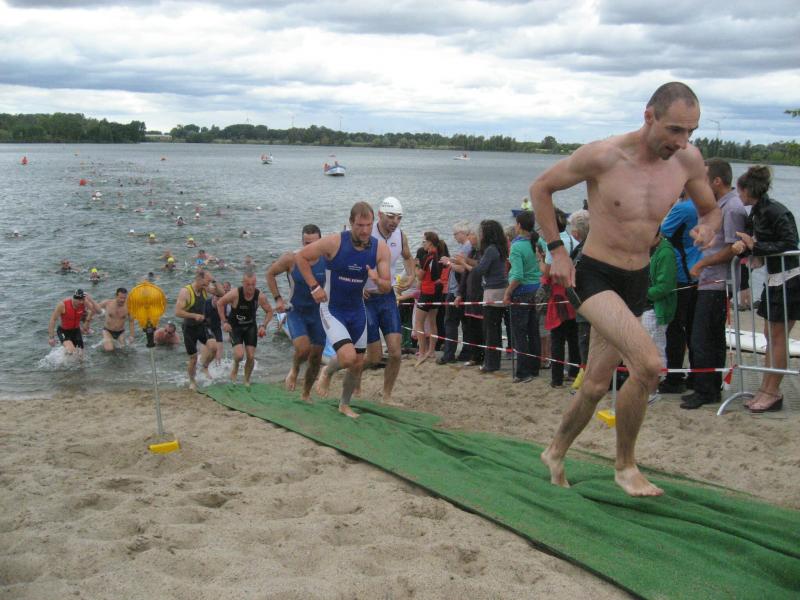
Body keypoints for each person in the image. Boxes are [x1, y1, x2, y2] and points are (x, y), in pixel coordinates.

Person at [532, 82, 720, 497]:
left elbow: (710, 210)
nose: (682, 141)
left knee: (596, 384)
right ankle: (625, 466)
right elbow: (540, 188)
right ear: (649, 116)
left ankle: (555, 451)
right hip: (594, 276)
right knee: (649, 366)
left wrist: (708, 228)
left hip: (638, 278)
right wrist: (557, 250)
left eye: (691, 131)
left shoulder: (687, 160)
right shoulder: (603, 156)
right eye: (674, 130)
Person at [295, 202, 392, 418]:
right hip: (333, 309)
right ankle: (327, 371)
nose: (364, 230)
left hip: (357, 310)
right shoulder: (335, 242)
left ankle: (344, 404)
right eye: (360, 225)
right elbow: (301, 257)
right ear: (351, 223)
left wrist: (377, 280)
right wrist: (314, 287)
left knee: (357, 364)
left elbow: (387, 286)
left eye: (368, 225)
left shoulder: (380, 249)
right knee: (347, 358)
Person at [317, 197, 416, 402]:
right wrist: (357, 285)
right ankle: (342, 377)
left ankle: (386, 395)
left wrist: (412, 275)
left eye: (398, 217)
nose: (394, 221)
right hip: (365, 298)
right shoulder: (365, 233)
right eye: (390, 217)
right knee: (372, 356)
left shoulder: (400, 236)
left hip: (387, 296)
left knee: (395, 353)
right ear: (380, 215)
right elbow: (344, 258)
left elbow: (407, 256)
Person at [732, 165, 799, 413]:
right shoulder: (757, 213)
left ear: (748, 190)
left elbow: (790, 243)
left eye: (740, 191)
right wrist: (745, 247)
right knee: (770, 335)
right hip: (774, 277)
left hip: (790, 277)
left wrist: (755, 246)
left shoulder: (776, 210)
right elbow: (754, 242)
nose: (738, 196)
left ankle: (772, 391)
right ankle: (766, 388)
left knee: (778, 336)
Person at [682, 158, 748, 409]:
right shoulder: (718, 207)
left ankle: (705, 390)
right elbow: (715, 239)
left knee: (702, 337)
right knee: (709, 336)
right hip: (711, 280)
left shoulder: (731, 208)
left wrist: (702, 264)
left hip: (718, 282)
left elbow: (732, 248)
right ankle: (708, 387)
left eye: (704, 179)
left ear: (717, 181)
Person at [266, 224, 327, 401]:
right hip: (296, 311)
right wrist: (278, 299)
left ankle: (306, 393)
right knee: (303, 349)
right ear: (302, 242)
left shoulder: (327, 259)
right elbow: (270, 274)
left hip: (318, 313)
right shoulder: (291, 259)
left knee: (316, 357)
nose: (310, 247)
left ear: (321, 242)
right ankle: (294, 369)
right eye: (306, 243)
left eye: (314, 243)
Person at [659, 189, 701, 394]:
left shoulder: (683, 208)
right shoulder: (702, 206)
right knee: (693, 328)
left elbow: (659, 233)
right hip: (697, 272)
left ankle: (674, 378)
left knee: (675, 328)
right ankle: (695, 376)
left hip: (681, 273)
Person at [503, 211, 542, 383]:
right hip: (535, 289)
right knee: (533, 331)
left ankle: (523, 371)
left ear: (519, 225)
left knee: (519, 333)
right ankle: (534, 367)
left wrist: (508, 292)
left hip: (521, 292)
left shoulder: (517, 246)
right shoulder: (536, 241)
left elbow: (518, 275)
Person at [217, 270, 273, 386]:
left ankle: (246, 380)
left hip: (250, 326)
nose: (251, 287)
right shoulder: (235, 294)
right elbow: (220, 303)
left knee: (251, 356)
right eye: (248, 284)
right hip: (235, 327)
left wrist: (263, 326)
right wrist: (224, 322)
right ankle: (236, 366)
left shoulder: (260, 296)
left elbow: (269, 311)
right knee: (239, 355)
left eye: (253, 284)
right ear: (243, 283)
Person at [641, 231, 677, 401]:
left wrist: (641, 294)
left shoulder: (665, 252)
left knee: (655, 349)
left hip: (656, 308)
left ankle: (652, 391)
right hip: (644, 306)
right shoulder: (646, 248)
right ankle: (644, 388)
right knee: (644, 350)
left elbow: (665, 286)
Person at [469, 220, 508, 373]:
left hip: (493, 290)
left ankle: (491, 363)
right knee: (495, 328)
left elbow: (481, 270)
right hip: (500, 288)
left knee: (490, 329)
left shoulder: (491, 249)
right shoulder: (499, 248)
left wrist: (469, 265)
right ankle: (493, 361)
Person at [174, 270, 222, 391]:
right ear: (199, 279)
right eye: (206, 282)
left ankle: (205, 366)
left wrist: (214, 280)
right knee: (193, 358)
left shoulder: (204, 289)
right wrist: (194, 315)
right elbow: (177, 312)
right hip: (189, 328)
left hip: (202, 326)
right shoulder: (186, 292)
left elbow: (221, 293)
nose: (208, 285)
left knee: (214, 347)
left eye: (209, 282)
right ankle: (192, 381)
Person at [438, 222, 474, 364]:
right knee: (465, 323)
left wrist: (448, 263)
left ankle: (449, 354)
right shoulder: (467, 247)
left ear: (462, 233)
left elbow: (463, 268)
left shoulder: (466, 247)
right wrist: (451, 260)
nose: (454, 237)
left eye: (455, 234)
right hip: (461, 290)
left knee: (450, 323)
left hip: (457, 291)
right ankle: (466, 352)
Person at [413, 231, 448, 366]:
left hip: (428, 291)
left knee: (419, 323)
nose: (423, 244)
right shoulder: (440, 254)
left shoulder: (428, 256)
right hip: (437, 291)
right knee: (433, 322)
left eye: (424, 242)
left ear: (430, 243)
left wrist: (416, 266)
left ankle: (422, 352)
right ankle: (431, 351)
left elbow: (420, 276)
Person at [48, 289, 93, 359]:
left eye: (82, 300)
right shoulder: (63, 305)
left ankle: (66, 357)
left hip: (76, 331)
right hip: (64, 331)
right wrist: (51, 337)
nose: (81, 302)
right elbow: (53, 319)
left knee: (81, 356)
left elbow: (92, 310)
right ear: (74, 298)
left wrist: (87, 322)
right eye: (79, 300)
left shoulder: (84, 303)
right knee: (72, 351)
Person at [97, 287, 135, 352]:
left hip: (120, 332)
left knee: (123, 350)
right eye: (121, 298)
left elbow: (131, 321)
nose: (122, 300)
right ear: (116, 296)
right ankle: (105, 343)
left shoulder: (129, 307)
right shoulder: (108, 303)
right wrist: (88, 320)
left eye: (124, 298)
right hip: (108, 331)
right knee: (109, 349)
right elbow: (95, 308)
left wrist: (132, 336)